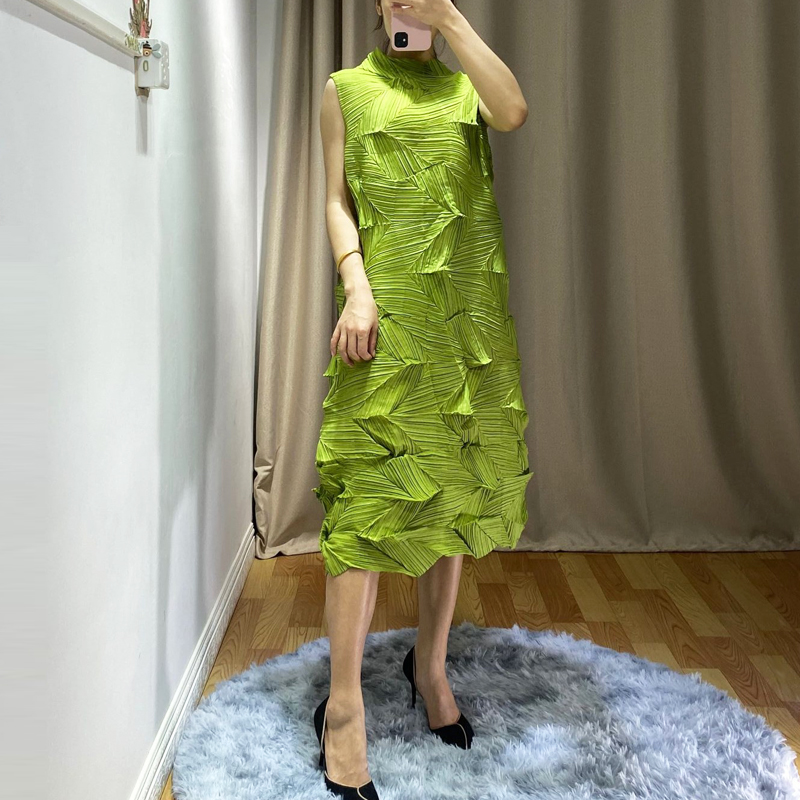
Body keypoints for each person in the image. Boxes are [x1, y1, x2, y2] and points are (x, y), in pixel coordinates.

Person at [311, 1, 532, 797]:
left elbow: (514, 111)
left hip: (462, 326)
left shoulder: (469, 85)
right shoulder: (346, 89)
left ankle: (429, 668)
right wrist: (356, 287)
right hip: (382, 319)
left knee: (448, 501)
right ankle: (343, 708)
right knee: (366, 512)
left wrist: (456, 24)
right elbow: (336, 199)